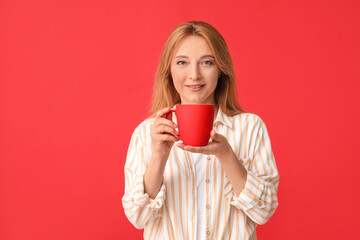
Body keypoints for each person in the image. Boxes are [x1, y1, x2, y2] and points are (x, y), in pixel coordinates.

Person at [122, 21, 279, 240]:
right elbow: (138, 217)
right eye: (181, 62)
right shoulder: (146, 133)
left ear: (221, 69)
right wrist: (159, 156)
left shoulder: (250, 127)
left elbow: (264, 211)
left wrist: (226, 155)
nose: (194, 75)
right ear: (169, 70)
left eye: (206, 62)